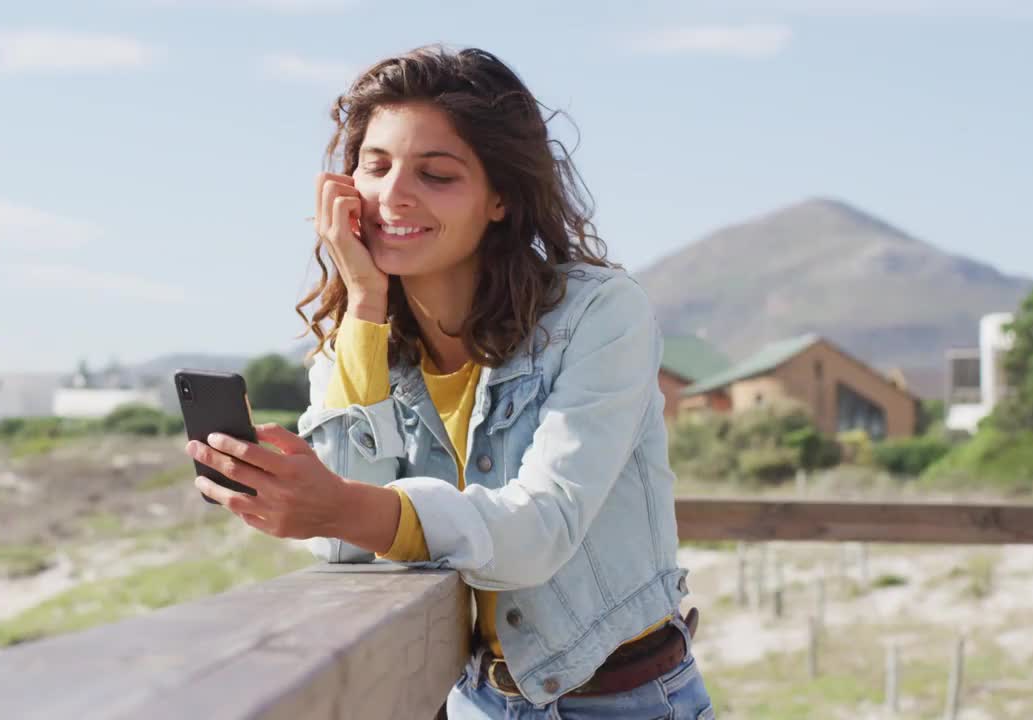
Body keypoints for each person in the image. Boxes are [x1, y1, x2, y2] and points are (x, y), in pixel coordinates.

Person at [185, 45, 712, 719]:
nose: (391, 195)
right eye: (374, 166)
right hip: (475, 702)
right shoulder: (357, 334)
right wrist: (365, 302)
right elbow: (345, 545)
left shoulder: (599, 314)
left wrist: (338, 504)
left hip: (626, 701)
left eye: (435, 174)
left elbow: (543, 528)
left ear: (499, 198)